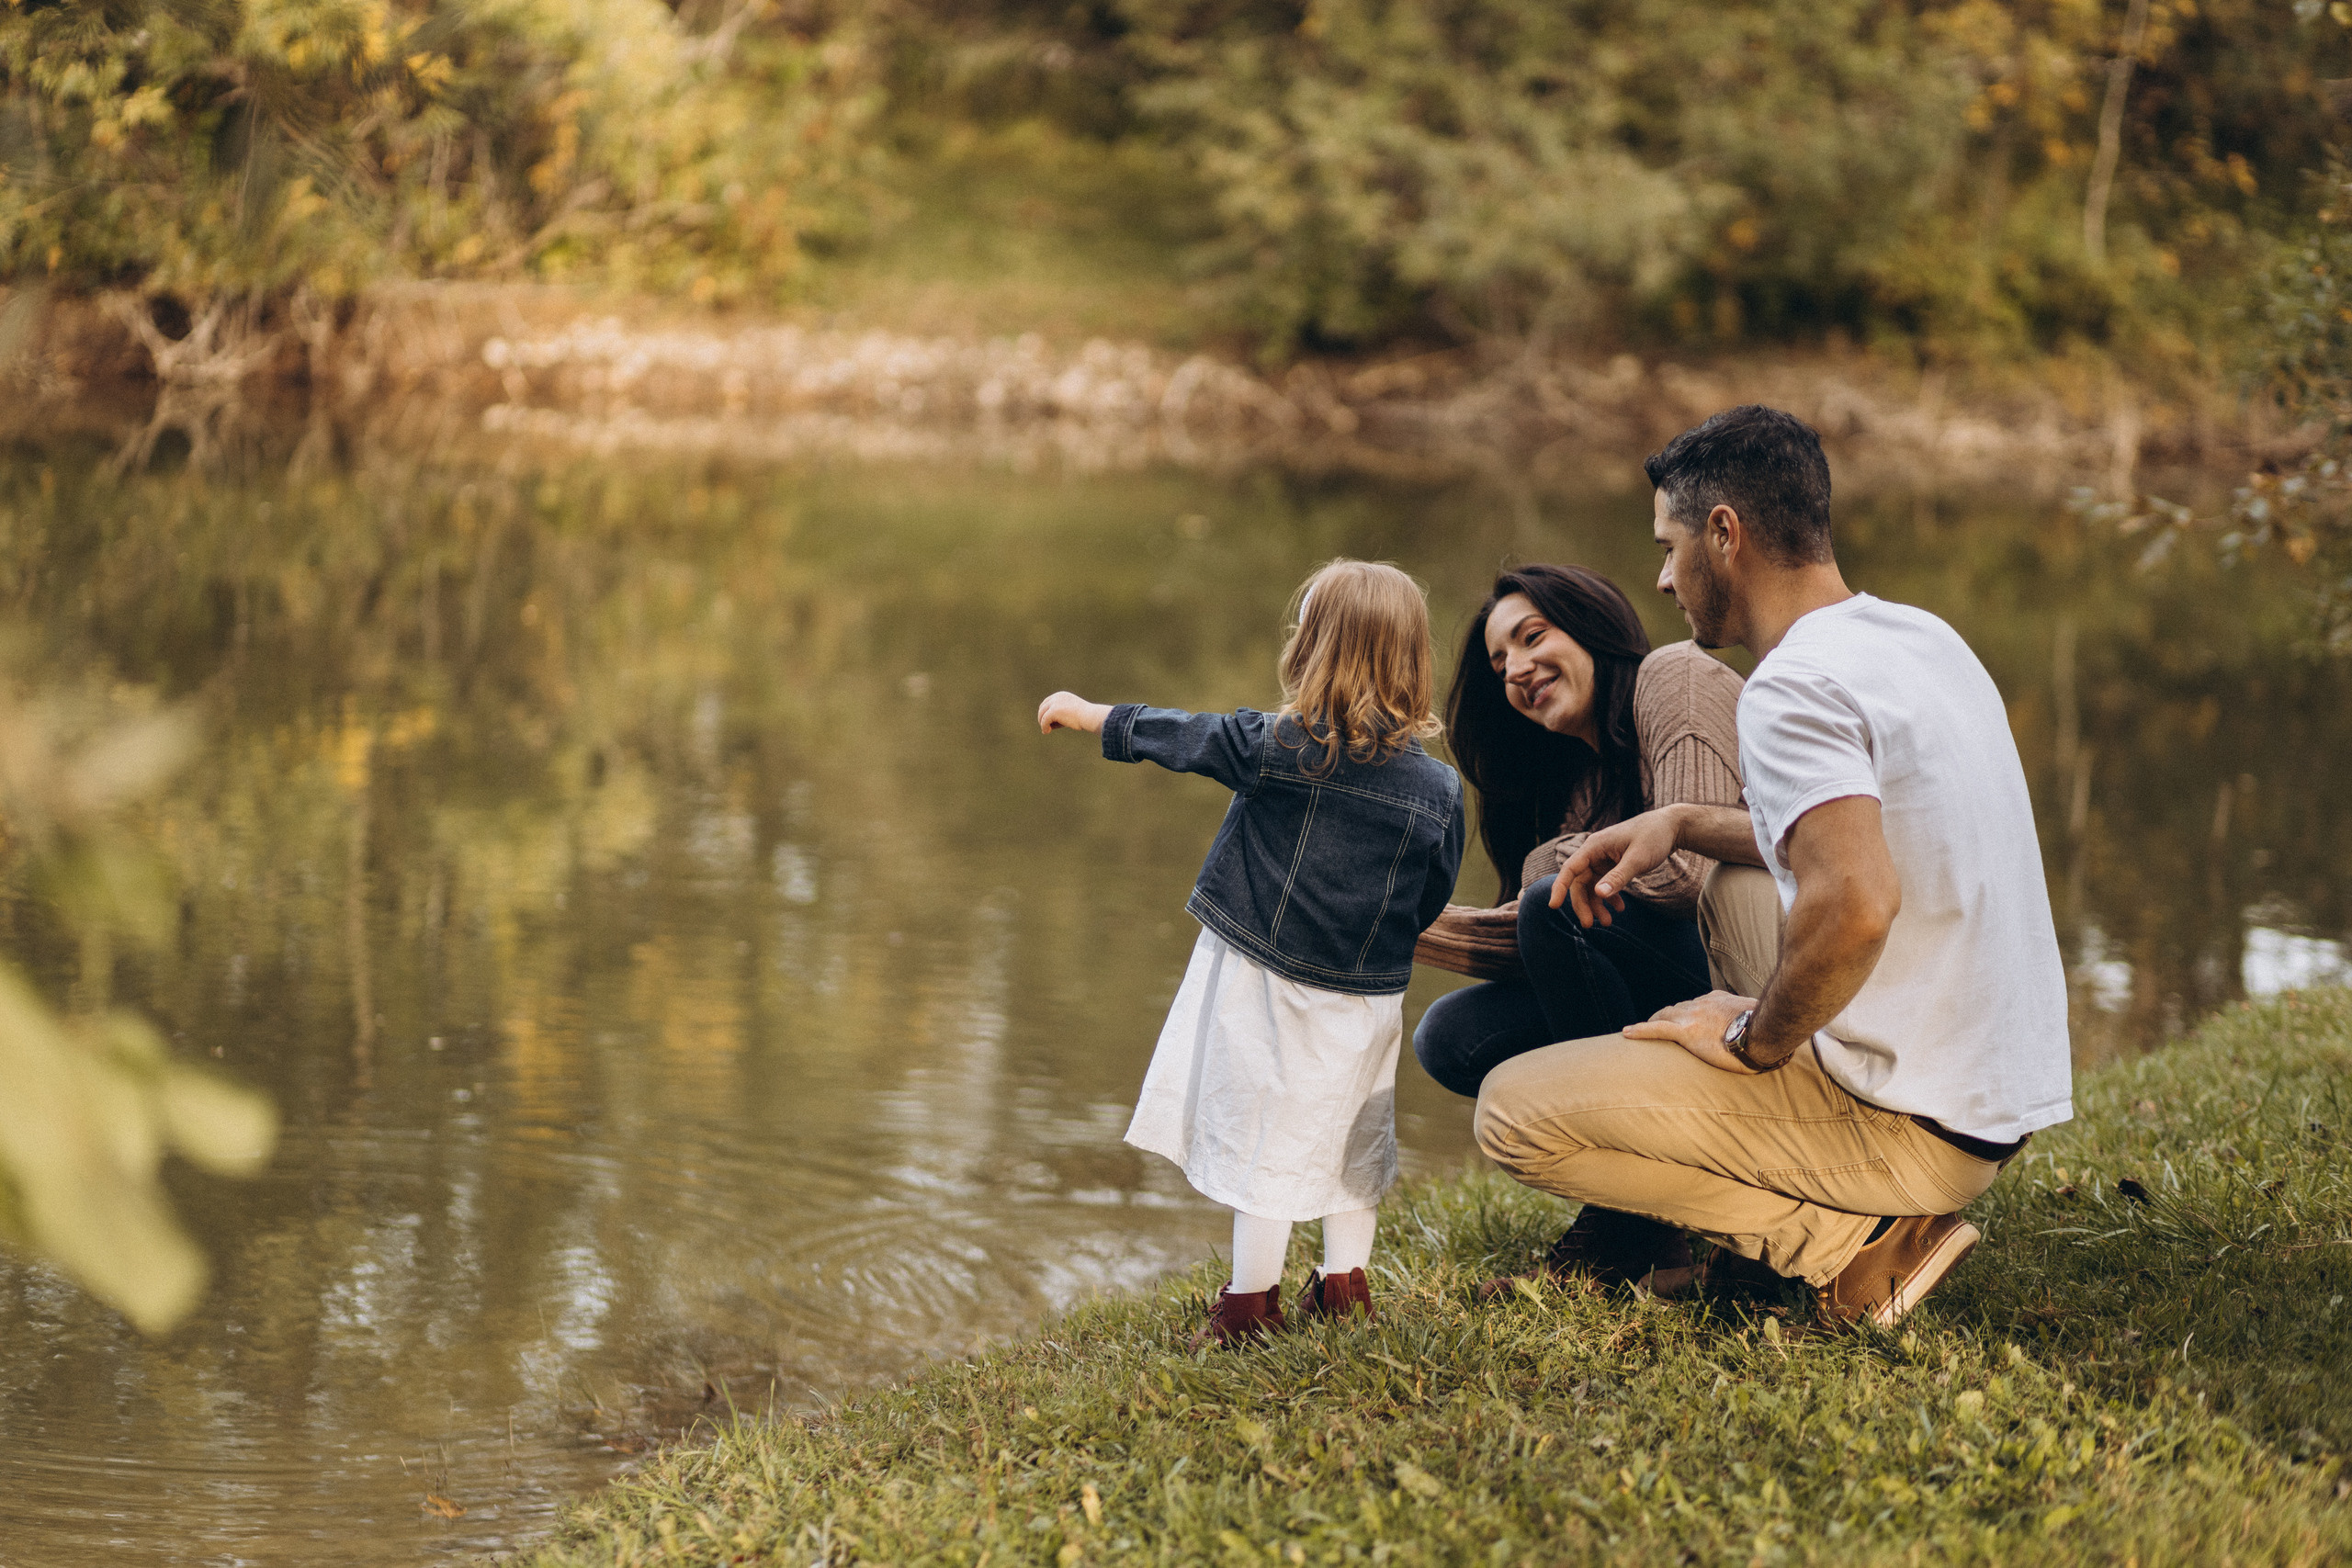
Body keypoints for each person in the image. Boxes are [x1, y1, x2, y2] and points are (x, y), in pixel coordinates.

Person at [1474, 405, 2074, 1326]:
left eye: (1670, 548)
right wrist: (1677, 820)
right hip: (1988, 1104)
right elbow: (1860, 839)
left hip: (1906, 1121)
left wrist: (1750, 1035)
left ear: (1725, 535)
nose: (1664, 578)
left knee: (1512, 1113)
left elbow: (1858, 900)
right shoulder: (1919, 639)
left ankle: (1851, 1247)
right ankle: (1850, 1212)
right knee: (1739, 887)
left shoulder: (1790, 685)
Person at [1038, 558, 1466, 1346]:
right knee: (1351, 1141)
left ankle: (1247, 1307)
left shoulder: (1277, 746)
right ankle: (1344, 1288)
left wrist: (1088, 712)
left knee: (1265, 1150)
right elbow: (1430, 892)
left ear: (1314, 651)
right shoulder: (1438, 790)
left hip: (1268, 989)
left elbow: (1181, 736)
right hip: (1368, 1000)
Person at [1411, 565, 1746, 1294]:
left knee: (1552, 902)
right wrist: (1396, 925)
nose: (1518, 670)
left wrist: (1548, 868)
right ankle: (1646, 1218)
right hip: (1676, 983)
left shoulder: (1673, 678)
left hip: (1757, 980)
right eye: (1501, 665)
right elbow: (1545, 932)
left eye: (1532, 638)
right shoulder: (1579, 780)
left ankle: (1631, 1227)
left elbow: (1690, 872)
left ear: (1592, 624)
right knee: (1449, 1038)